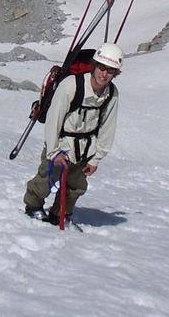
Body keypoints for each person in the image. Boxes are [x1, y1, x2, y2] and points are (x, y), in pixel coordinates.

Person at [23, 41, 122, 226]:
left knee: (75, 186)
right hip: (61, 144)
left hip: (86, 149)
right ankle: (33, 205)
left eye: (110, 70)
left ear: (115, 73)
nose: (104, 74)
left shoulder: (111, 94)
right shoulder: (71, 85)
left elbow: (108, 127)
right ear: (94, 65)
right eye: (101, 67)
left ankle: (60, 213)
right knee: (46, 179)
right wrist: (54, 152)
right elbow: (54, 119)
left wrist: (96, 159)